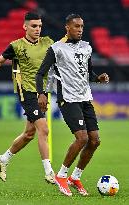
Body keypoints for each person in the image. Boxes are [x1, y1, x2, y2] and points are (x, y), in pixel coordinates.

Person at [36, 13, 109, 196]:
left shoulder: (86, 47)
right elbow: (40, 73)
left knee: (95, 141)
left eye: (82, 27)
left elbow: (88, 73)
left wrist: (97, 79)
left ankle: (75, 177)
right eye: (76, 26)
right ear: (67, 27)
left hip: (85, 97)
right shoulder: (57, 49)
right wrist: (42, 94)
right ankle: (61, 175)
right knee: (82, 138)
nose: (80, 30)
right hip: (67, 98)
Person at [0, 12, 55, 184]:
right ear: (25, 27)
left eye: (40, 26)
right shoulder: (16, 46)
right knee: (44, 129)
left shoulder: (48, 42)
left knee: (29, 134)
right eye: (34, 26)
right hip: (26, 92)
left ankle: (3, 159)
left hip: (42, 92)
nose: (37, 29)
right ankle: (49, 172)